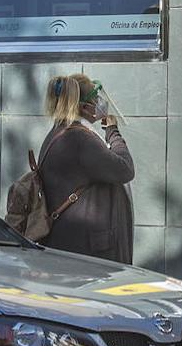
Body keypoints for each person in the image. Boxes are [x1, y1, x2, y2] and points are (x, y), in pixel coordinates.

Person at [38, 74, 135, 264]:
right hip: (89, 252)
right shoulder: (79, 139)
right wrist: (112, 132)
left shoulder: (59, 133)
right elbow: (125, 169)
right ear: (84, 107)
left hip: (74, 245)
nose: (100, 102)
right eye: (95, 99)